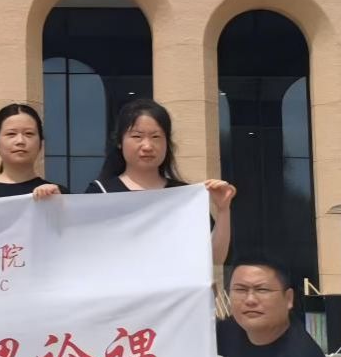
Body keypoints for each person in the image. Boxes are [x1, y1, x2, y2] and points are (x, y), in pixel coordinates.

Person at [85, 96, 235, 265]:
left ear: (167, 142)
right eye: (137, 136)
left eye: (156, 137)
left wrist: (223, 210)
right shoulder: (100, 192)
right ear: (120, 142)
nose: (147, 146)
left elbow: (215, 258)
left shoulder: (183, 196)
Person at [0, 103, 65, 201]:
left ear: (41, 143)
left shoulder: (58, 194)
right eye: (11, 134)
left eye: (29, 133)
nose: (20, 141)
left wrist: (58, 203)